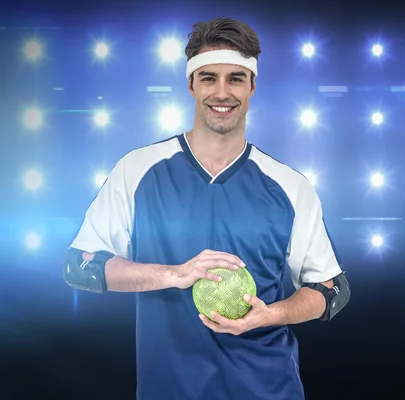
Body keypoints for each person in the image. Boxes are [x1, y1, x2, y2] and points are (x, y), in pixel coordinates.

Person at [63, 17, 350, 400]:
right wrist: (174, 274)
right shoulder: (137, 170)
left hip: (269, 389)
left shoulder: (289, 186)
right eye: (208, 77)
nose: (221, 92)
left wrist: (271, 314)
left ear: (252, 86)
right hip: (169, 390)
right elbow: (81, 267)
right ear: (190, 85)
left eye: (235, 78)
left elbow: (332, 290)